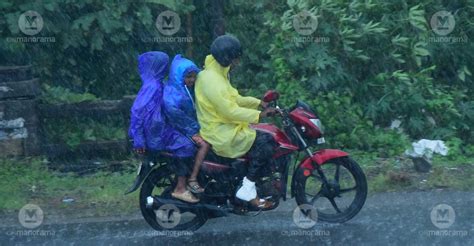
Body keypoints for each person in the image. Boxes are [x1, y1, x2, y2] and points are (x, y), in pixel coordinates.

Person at [194, 35, 277, 209]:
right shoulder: (212, 81)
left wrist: (258, 103)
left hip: (224, 126)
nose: (237, 62)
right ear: (226, 58)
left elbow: (235, 98)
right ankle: (247, 188)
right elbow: (229, 111)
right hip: (220, 131)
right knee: (267, 142)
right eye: (235, 58)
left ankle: (249, 186)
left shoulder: (216, 74)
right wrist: (260, 115)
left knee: (264, 136)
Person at [128, 51, 199, 203]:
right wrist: (139, 139)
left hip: (158, 130)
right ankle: (181, 188)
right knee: (186, 146)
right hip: (155, 134)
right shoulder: (152, 86)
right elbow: (137, 113)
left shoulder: (157, 83)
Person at [163, 54, 210, 199]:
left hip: (188, 127)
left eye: (194, 76)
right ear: (178, 76)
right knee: (205, 145)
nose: (192, 80)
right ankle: (192, 179)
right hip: (180, 130)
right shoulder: (176, 93)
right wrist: (194, 130)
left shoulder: (185, 90)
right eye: (188, 77)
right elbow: (177, 117)